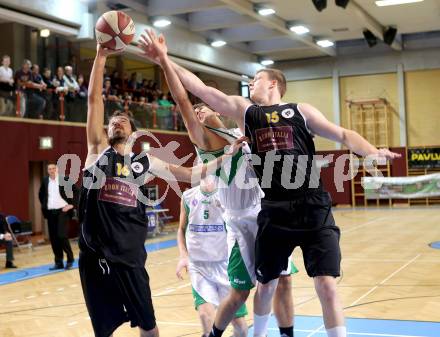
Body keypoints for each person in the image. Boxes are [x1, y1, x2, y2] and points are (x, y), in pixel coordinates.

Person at [138, 30, 401, 337]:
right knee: (253, 288)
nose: (250, 83)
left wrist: (372, 152)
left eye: (256, 79)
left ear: (273, 83)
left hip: (292, 204)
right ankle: (226, 333)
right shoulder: (232, 124)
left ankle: (288, 332)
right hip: (258, 215)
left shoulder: (277, 119)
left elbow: (341, 134)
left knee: (302, 282)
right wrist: (164, 59)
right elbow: (193, 92)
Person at [78, 43, 246, 337]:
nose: (116, 122)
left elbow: (193, 174)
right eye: (112, 122)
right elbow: (94, 100)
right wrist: (102, 56)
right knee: (103, 330)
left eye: (123, 121)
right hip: (96, 257)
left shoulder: (145, 162)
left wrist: (227, 157)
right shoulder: (97, 152)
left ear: (133, 132)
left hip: (130, 256)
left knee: (149, 327)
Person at [139, 30, 298, 337]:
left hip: (267, 213)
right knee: (241, 293)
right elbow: (183, 97)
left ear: (216, 112)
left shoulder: (244, 127)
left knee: (284, 279)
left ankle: (284, 333)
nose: (198, 111)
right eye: (195, 112)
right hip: (239, 223)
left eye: (203, 108)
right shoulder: (206, 142)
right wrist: (163, 61)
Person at [177, 179, 248, 337]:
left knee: (241, 329)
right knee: (205, 317)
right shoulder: (188, 197)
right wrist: (183, 255)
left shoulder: (228, 196)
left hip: (225, 266)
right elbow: (181, 229)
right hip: (199, 267)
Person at [38, 163, 77, 270]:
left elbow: (76, 191)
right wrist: (45, 205)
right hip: (50, 213)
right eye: (49, 169)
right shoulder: (45, 181)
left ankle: (70, 259)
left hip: (62, 211)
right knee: (54, 238)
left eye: (53, 168)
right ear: (47, 171)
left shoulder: (64, 179)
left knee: (61, 235)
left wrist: (71, 205)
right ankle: (58, 262)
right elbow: (41, 195)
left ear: (57, 169)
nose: (52, 170)